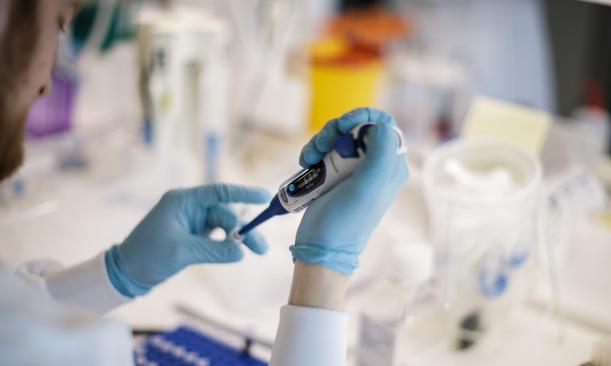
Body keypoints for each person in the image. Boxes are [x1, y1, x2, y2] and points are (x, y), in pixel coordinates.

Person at [0, 1, 409, 365]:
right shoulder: (76, 350)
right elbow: (34, 339)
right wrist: (324, 270)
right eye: (57, 26)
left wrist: (114, 274)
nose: (47, 84)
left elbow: (18, 312)